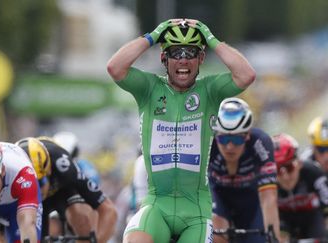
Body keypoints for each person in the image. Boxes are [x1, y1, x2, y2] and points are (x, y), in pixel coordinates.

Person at [107, 17, 256, 243]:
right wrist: (154, 35)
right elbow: (115, 68)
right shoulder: (149, 88)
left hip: (196, 211)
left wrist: (210, 38)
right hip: (157, 204)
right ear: (164, 58)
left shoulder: (210, 90)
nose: (183, 61)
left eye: (191, 53)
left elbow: (246, 75)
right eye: (176, 53)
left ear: (201, 58)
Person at [15, 136, 117, 243]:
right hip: (23, 195)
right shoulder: (11, 175)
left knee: (82, 218)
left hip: (61, 189)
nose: (37, 189)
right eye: (32, 184)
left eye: (40, 183)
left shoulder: (63, 166)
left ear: (49, 170)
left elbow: (109, 210)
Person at [209, 98, 280, 243]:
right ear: (216, 135)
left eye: (236, 140)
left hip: (250, 200)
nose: (229, 147)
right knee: (217, 236)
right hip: (218, 194)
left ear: (247, 135)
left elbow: (269, 198)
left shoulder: (261, 143)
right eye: (223, 139)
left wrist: (274, 238)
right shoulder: (208, 142)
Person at [273, 133, 328, 241]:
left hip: (312, 219)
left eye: (289, 168)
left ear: (299, 163)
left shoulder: (313, 173)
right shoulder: (267, 181)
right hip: (284, 222)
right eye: (278, 170)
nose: (285, 177)